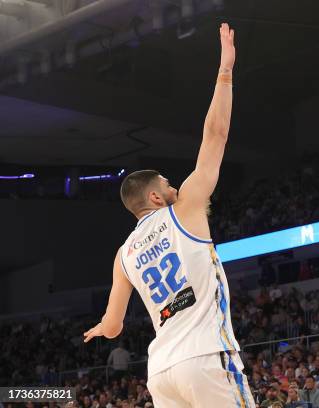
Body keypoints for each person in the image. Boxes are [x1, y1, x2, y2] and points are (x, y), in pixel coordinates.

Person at [82, 23, 254, 407]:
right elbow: (216, 135)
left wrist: (99, 329)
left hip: (162, 373)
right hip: (206, 356)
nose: (175, 185)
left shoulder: (123, 254)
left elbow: (113, 327)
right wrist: (225, 69)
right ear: (157, 197)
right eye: (168, 183)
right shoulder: (184, 208)